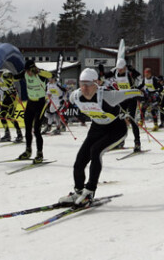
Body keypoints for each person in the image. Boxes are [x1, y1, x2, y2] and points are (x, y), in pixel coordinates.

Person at [59, 68, 143, 207]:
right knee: (80, 160)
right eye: (82, 84)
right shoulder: (75, 96)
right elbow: (66, 100)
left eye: (88, 84)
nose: (85, 88)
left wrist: (142, 94)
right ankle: (78, 192)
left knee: (96, 151)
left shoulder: (108, 96)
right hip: (97, 128)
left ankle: (89, 191)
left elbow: (131, 92)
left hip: (116, 129)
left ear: (96, 84)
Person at [13, 59, 53, 163]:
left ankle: (39, 153)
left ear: (33, 69)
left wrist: (38, 71)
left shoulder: (40, 74)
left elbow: (50, 75)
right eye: (26, 71)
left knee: (36, 130)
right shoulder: (25, 73)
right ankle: (28, 150)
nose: (28, 73)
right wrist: (4, 76)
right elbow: (14, 77)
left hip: (40, 103)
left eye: (29, 71)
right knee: (27, 128)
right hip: (30, 103)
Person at [102, 59, 142, 151]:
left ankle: (137, 143)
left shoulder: (130, 71)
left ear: (125, 67)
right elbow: (104, 77)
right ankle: (120, 141)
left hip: (131, 98)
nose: (119, 71)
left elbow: (140, 79)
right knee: (119, 119)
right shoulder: (114, 71)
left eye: (121, 69)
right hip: (122, 98)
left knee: (132, 119)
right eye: (118, 69)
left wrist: (138, 89)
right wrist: (102, 76)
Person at [0, 69, 24, 143]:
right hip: (7, 97)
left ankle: (19, 134)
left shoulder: (5, 75)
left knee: (10, 116)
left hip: (13, 97)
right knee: (2, 115)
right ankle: (7, 134)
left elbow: (9, 82)